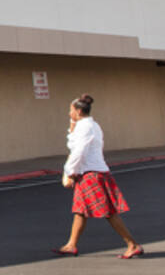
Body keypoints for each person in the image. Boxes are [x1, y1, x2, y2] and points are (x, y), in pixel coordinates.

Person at [55, 93, 142, 258]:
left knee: (108, 212)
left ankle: (133, 244)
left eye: (71, 111)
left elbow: (78, 151)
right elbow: (72, 142)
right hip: (93, 172)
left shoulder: (86, 127)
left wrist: (69, 171)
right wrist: (72, 123)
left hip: (91, 174)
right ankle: (71, 245)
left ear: (79, 111)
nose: (69, 114)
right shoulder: (91, 125)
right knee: (80, 210)